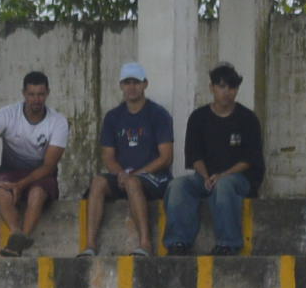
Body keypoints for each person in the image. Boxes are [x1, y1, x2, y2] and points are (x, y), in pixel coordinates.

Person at [166, 63, 262, 254]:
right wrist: (206, 176)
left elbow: (250, 159)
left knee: (224, 185)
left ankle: (228, 243)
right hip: (205, 177)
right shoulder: (198, 117)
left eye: (232, 87)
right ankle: (178, 242)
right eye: (222, 86)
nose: (227, 92)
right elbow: (195, 155)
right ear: (212, 88)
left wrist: (222, 175)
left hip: (239, 179)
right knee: (177, 186)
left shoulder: (247, 118)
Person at [78, 62, 172, 258]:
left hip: (155, 177)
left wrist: (134, 174)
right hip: (125, 176)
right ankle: (90, 245)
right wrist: (120, 173)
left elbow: (166, 157)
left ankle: (145, 244)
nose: (131, 87)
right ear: (121, 85)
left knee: (132, 182)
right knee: (98, 182)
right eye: (127, 82)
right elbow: (108, 156)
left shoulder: (158, 114)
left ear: (145, 84)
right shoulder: (113, 117)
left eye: (136, 82)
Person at [0, 71, 69, 257]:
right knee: (1, 190)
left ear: (47, 93)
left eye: (40, 94)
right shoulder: (8, 114)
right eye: (32, 94)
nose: (36, 99)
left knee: (37, 193)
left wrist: (21, 184)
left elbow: (49, 166)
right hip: (11, 172)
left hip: (42, 176)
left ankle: (22, 237)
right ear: (24, 94)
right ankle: (17, 233)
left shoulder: (58, 121)